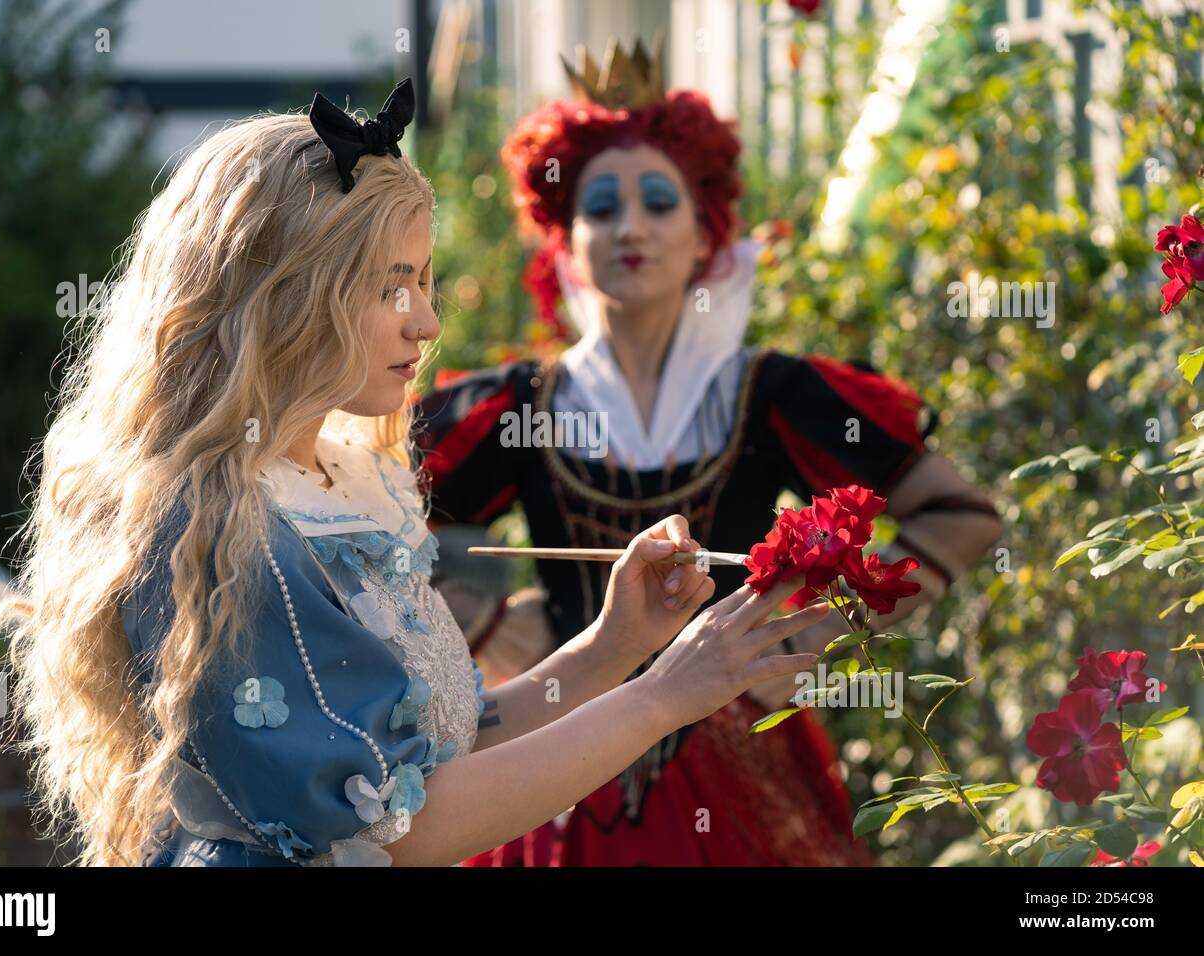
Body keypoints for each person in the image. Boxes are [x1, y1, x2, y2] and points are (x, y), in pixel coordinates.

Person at [0, 78, 830, 867]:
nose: (425, 320)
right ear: (286, 293)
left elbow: (435, 753)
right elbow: (403, 825)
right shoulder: (226, 522)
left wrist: (616, 647)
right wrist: (662, 697)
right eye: (390, 287)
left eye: (424, 280)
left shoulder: (345, 481)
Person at [414, 40, 1004, 866]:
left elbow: (961, 514)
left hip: (742, 759)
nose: (631, 228)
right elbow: (375, 530)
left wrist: (811, 639)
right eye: (600, 207)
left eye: (659, 201)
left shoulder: (775, 394)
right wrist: (480, 623)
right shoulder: (518, 406)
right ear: (563, 238)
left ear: (706, 235)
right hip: (558, 755)